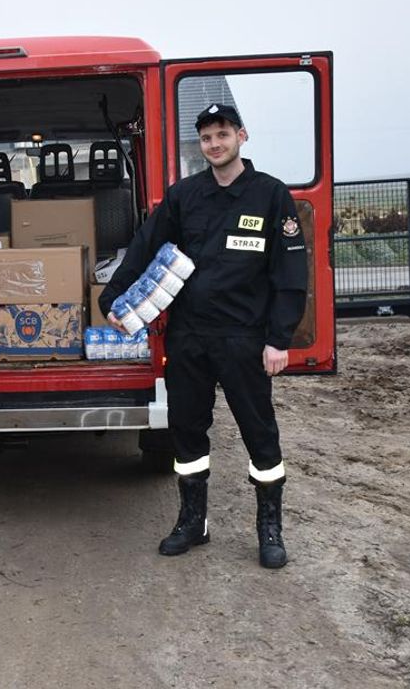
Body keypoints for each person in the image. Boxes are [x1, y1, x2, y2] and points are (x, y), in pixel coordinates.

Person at [100, 104, 308, 568]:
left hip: (243, 338)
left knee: (259, 432)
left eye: (222, 134)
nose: (215, 144)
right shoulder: (185, 196)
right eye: (207, 138)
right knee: (187, 431)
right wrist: (113, 298)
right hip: (189, 337)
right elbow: (145, 247)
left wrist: (279, 339)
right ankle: (193, 522)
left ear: (241, 136)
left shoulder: (270, 195)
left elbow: (290, 273)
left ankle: (269, 530)